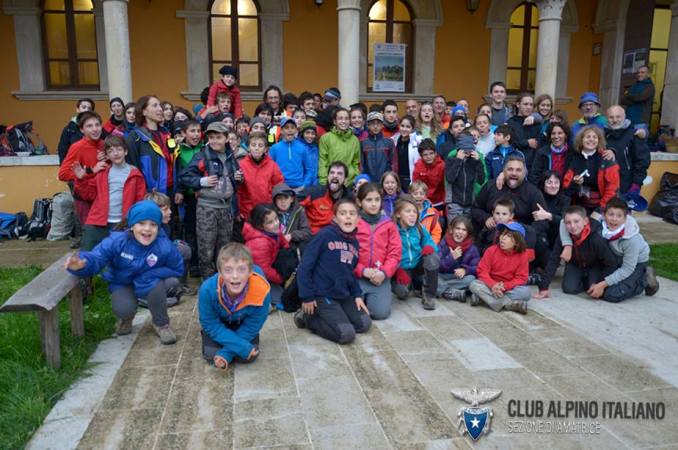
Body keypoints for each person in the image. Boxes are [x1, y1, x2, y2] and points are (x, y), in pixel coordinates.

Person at [65, 200, 183, 344]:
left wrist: (150, 275)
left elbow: (177, 268)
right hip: (122, 283)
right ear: (132, 225)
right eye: (141, 223)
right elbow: (97, 257)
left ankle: (161, 324)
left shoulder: (164, 245)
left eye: (153, 225)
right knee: (123, 308)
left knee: (164, 284)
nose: (147, 229)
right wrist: (82, 265)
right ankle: (126, 318)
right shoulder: (117, 241)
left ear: (159, 227)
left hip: (149, 282)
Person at [294, 199, 371, 344]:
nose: (348, 216)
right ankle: (308, 318)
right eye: (343, 213)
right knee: (346, 334)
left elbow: (351, 272)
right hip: (322, 295)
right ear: (335, 218)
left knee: (364, 323)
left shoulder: (354, 243)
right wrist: (307, 296)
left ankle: (337, 316)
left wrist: (357, 295)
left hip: (343, 295)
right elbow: (305, 266)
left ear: (358, 219)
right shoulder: (325, 235)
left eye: (352, 213)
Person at [554, 197, 659, 303]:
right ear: (604, 215)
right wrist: (567, 245)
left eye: (619, 216)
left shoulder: (631, 239)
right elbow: (564, 222)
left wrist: (602, 284)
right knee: (595, 290)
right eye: (611, 214)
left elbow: (627, 269)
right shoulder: (598, 223)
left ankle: (644, 279)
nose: (614, 219)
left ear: (625, 218)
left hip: (634, 264)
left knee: (611, 294)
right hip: (612, 260)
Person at [180, 121, 241, 278]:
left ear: (226, 138)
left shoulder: (230, 156)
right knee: (206, 248)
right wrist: (202, 182)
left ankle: (222, 279)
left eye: (218, 137)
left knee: (224, 247)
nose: (214, 141)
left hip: (226, 208)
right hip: (207, 208)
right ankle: (207, 281)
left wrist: (238, 178)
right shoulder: (201, 156)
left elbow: (233, 180)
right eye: (211, 137)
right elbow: (185, 177)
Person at [198, 243, 270, 369]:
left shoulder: (262, 291)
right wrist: (241, 346)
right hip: (220, 322)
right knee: (210, 354)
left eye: (242, 269)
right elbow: (210, 323)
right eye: (228, 270)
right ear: (220, 272)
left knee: (249, 356)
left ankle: (231, 346)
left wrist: (226, 354)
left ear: (250, 272)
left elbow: (252, 326)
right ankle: (233, 342)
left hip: (243, 323)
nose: (235, 276)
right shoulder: (207, 290)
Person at [74, 135, 146, 251]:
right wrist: (81, 179)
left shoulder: (135, 174)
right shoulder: (102, 173)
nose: (115, 153)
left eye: (119, 149)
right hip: (98, 222)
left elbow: (140, 200)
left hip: (123, 224)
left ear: (126, 151)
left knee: (118, 258)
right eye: (111, 151)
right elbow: (88, 194)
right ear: (106, 155)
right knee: (87, 256)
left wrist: (135, 221)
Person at [534, 205, 618, 299]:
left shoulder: (596, 238)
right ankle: (582, 279)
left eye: (576, 221)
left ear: (585, 221)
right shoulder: (564, 235)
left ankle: (588, 280)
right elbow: (554, 259)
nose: (573, 226)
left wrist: (602, 283)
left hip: (595, 265)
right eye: (568, 223)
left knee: (593, 289)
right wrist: (543, 287)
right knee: (569, 289)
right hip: (576, 263)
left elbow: (611, 263)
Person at [354, 183, 402, 320]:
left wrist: (384, 273)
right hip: (357, 276)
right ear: (359, 202)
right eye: (369, 200)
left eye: (377, 200)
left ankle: (370, 301)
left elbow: (395, 253)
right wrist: (362, 271)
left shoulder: (389, 225)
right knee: (352, 310)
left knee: (381, 314)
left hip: (379, 277)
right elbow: (346, 254)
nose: (373, 204)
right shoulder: (354, 223)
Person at [58, 111, 106, 237]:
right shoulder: (77, 147)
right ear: (82, 130)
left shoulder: (104, 145)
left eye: (97, 125)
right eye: (89, 126)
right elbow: (62, 174)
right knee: (90, 235)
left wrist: (108, 159)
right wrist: (89, 171)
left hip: (102, 196)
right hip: (85, 198)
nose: (95, 129)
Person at [469, 222, 530, 314]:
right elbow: (482, 271)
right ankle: (508, 304)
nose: (503, 238)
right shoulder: (491, 250)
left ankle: (485, 300)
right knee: (473, 284)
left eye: (508, 236)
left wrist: (505, 286)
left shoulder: (523, 255)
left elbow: (521, 278)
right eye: (502, 234)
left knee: (526, 292)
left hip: (508, 287)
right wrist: (493, 285)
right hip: (490, 285)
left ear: (517, 242)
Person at [392, 195, 440, 310]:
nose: (413, 214)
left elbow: (429, 241)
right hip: (401, 269)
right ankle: (412, 286)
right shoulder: (392, 230)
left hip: (418, 266)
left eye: (414, 211)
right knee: (402, 293)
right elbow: (387, 254)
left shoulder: (419, 228)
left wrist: (429, 246)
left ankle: (428, 296)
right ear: (398, 214)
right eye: (408, 211)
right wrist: (396, 270)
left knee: (432, 258)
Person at [563, 125, 620, 217]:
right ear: (581, 140)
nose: (591, 140)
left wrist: (600, 210)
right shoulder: (574, 158)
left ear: (599, 140)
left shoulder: (607, 158)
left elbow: (612, 187)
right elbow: (566, 189)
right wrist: (575, 183)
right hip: (578, 206)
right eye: (588, 137)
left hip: (602, 206)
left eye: (595, 137)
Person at [126, 95, 176, 194]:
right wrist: (144, 190)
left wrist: (178, 189)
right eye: (155, 106)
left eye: (160, 106)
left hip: (170, 190)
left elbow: (174, 161)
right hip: (150, 193)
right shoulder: (135, 136)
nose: (160, 109)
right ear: (144, 112)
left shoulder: (168, 134)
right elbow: (133, 167)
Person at [243, 204, 289, 305]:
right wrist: (280, 279)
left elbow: (282, 241)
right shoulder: (260, 243)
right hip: (256, 275)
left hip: (269, 266)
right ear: (260, 226)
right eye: (270, 222)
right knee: (282, 300)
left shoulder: (273, 231)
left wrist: (287, 251)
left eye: (276, 219)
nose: (276, 223)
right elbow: (264, 270)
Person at [605, 105, 651, 196]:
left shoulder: (634, 134)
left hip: (627, 185)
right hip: (606, 185)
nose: (614, 120)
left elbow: (642, 161)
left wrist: (636, 184)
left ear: (624, 117)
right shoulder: (603, 135)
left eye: (618, 117)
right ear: (607, 118)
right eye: (611, 117)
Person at [443, 133, 487, 221]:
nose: (467, 152)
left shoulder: (474, 161)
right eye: (465, 150)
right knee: (454, 227)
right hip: (454, 201)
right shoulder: (451, 159)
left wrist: (479, 162)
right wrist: (458, 161)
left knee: (466, 230)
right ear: (459, 149)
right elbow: (450, 179)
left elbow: (481, 180)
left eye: (469, 150)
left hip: (469, 203)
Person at [301, 161, 353, 233]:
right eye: (332, 173)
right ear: (328, 176)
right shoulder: (314, 193)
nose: (335, 176)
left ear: (345, 179)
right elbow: (294, 205)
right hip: (314, 238)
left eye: (339, 173)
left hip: (337, 239)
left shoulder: (350, 199)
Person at [437, 216, 480, 302]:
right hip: (443, 276)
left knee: (471, 279)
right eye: (458, 228)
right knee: (430, 276)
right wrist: (451, 258)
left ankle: (441, 289)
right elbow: (437, 265)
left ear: (468, 233)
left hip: (459, 279)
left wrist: (465, 270)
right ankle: (451, 292)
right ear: (451, 230)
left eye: (464, 230)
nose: (460, 232)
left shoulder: (472, 248)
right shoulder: (444, 243)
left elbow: (477, 268)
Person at [269, 117, 313, 194]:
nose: (290, 130)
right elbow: (269, 169)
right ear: (281, 131)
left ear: (296, 130)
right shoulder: (274, 148)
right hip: (281, 187)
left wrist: (305, 184)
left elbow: (309, 169)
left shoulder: (302, 148)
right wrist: (275, 185)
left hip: (299, 187)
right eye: (286, 127)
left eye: (292, 127)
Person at [319, 107, 360, 186]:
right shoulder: (326, 138)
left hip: (349, 182)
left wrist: (355, 178)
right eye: (340, 118)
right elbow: (323, 161)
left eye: (346, 118)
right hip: (332, 180)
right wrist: (323, 181)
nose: (343, 121)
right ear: (335, 121)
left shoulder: (355, 140)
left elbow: (356, 162)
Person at [534, 171, 570, 248]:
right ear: (543, 184)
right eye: (549, 182)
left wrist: (548, 216)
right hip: (538, 236)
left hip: (557, 237)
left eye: (556, 182)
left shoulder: (565, 199)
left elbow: (565, 220)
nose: (553, 186)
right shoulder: (536, 197)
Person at [272, 183, 312, 252]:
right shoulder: (271, 214)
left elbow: (307, 232)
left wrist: (291, 236)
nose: (283, 201)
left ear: (292, 199)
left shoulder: (299, 211)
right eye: (279, 198)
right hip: (274, 248)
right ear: (275, 201)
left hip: (292, 249)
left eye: (286, 197)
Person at [506, 93, 541, 170]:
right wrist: (527, 142)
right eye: (525, 104)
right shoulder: (511, 123)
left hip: (533, 165)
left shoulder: (537, 124)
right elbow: (510, 143)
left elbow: (539, 144)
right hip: (515, 165)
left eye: (531, 105)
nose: (528, 107)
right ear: (518, 104)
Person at [361, 111, 396, 183]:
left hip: (385, 181)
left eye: (378, 123)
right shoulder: (363, 143)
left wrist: (392, 179)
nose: (375, 126)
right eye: (372, 123)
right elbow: (361, 164)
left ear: (382, 125)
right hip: (369, 182)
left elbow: (394, 164)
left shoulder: (389, 142)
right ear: (368, 125)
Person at [57, 98, 95, 163]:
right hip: (73, 167)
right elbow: (62, 152)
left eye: (89, 108)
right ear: (77, 109)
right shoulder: (68, 130)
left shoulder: (95, 128)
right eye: (84, 107)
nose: (86, 110)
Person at [412, 138, 445, 209]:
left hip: (439, 202)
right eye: (425, 155)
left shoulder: (442, 166)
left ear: (435, 153)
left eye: (431, 153)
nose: (429, 157)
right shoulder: (418, 165)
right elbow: (416, 184)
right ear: (421, 156)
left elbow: (445, 186)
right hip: (422, 201)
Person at [391, 115, 420, 192]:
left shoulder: (417, 142)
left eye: (408, 127)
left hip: (410, 178)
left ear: (412, 129)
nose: (404, 129)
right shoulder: (393, 140)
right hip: (397, 178)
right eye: (402, 126)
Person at [298, 120, 319, 186]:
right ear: (302, 133)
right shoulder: (298, 147)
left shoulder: (316, 148)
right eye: (307, 133)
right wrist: (304, 185)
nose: (310, 136)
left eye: (313, 133)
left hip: (315, 184)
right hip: (301, 185)